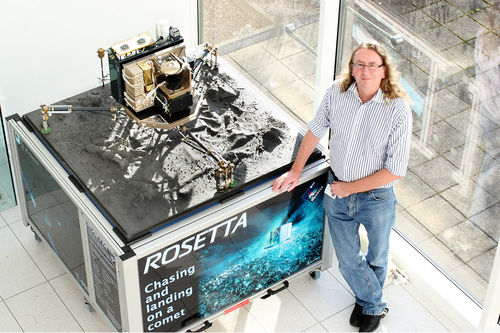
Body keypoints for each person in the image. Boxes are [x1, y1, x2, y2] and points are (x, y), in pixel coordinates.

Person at [272, 41, 412, 332]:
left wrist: (351, 188)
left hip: (377, 198)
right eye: (359, 64)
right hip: (337, 191)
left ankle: (367, 304)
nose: (364, 70)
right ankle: (374, 304)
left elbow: (395, 170)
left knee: (377, 256)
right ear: (351, 68)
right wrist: (295, 171)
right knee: (348, 259)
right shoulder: (337, 92)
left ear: (384, 71)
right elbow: (315, 129)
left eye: (372, 65)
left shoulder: (398, 110)